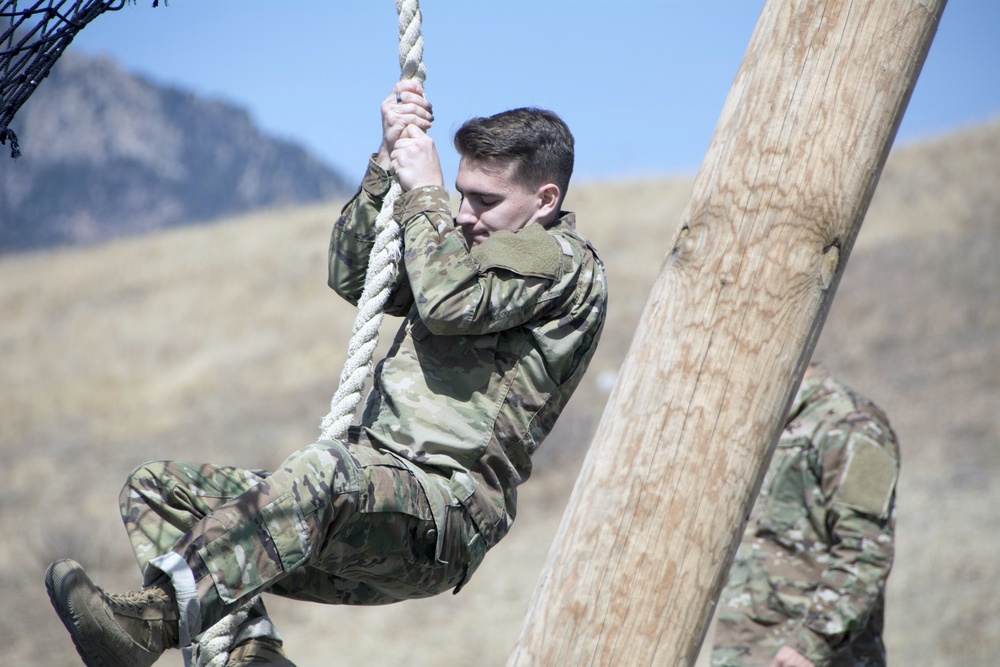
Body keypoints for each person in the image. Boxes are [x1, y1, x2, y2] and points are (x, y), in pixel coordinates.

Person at [45, 79, 607, 667]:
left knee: (326, 470)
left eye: (486, 201)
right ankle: (250, 656)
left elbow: (445, 302)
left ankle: (150, 624)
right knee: (159, 490)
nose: (466, 216)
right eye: (462, 195)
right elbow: (354, 275)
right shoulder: (461, 245)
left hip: (442, 515)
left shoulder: (561, 262)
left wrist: (427, 195)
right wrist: (385, 164)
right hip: (369, 499)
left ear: (544, 201)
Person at [710, 363, 900, 667]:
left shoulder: (855, 425)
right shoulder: (762, 421)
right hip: (748, 653)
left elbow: (866, 550)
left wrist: (811, 643)